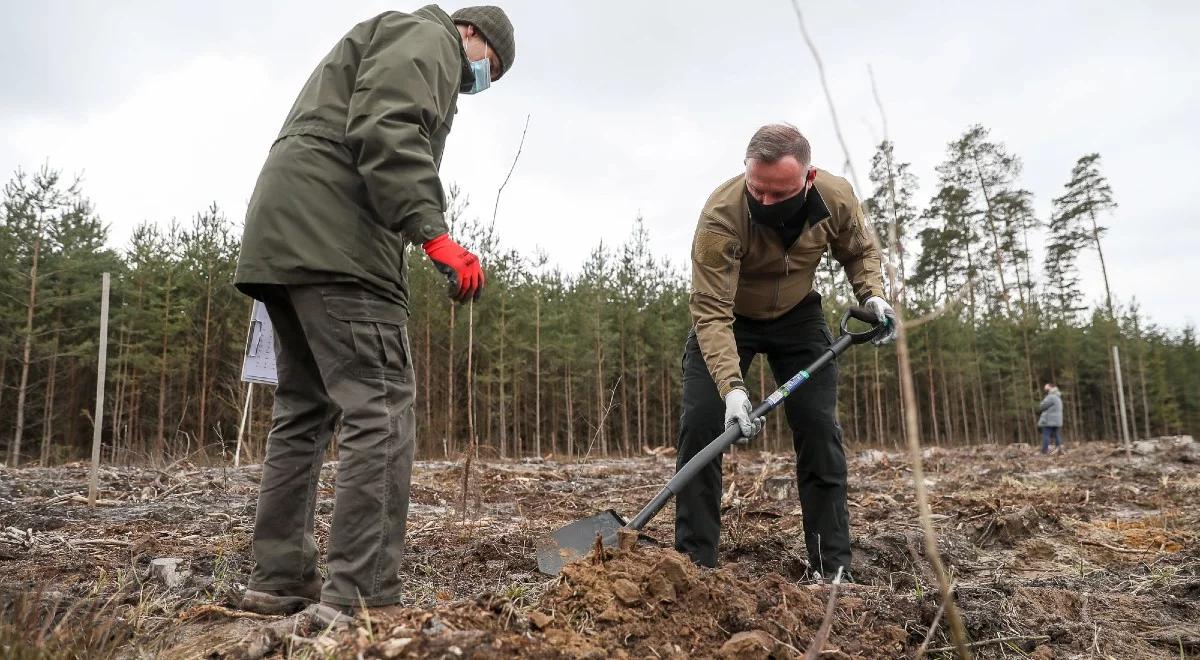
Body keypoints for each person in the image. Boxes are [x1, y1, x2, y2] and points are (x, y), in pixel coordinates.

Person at [232, 5, 516, 619]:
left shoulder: (384, 37)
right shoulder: (429, 37)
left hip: (284, 236)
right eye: (488, 68)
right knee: (381, 405)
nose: (479, 81)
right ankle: (361, 593)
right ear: (473, 35)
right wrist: (434, 235)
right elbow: (388, 128)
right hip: (338, 242)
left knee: (304, 411)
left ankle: (278, 579)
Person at [676, 123, 897, 580]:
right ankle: (693, 567)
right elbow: (712, 314)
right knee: (701, 425)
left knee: (818, 428)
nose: (766, 202)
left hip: (798, 318)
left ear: (808, 178)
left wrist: (872, 294)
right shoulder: (721, 215)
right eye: (758, 190)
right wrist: (733, 388)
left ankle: (830, 567)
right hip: (729, 320)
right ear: (747, 172)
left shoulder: (835, 198)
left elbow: (860, 251)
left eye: (780, 193)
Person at [1038, 383, 1064, 454]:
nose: (1045, 389)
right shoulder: (1058, 396)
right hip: (1057, 421)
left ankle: (1044, 451)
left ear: (1051, 388)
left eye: (1046, 388)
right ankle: (1059, 450)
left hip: (1049, 420)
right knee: (1057, 435)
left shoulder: (1051, 397)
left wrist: (1041, 403)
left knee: (1046, 434)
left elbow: (1042, 406)